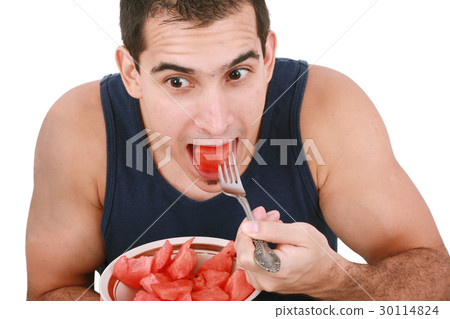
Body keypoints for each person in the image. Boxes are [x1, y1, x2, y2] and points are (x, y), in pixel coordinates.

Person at [25, 0, 449, 301]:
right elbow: (47, 294)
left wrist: (335, 279)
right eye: (177, 81)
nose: (215, 120)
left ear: (267, 57)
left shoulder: (329, 109)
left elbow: (439, 280)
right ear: (131, 73)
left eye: (237, 73)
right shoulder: (78, 127)